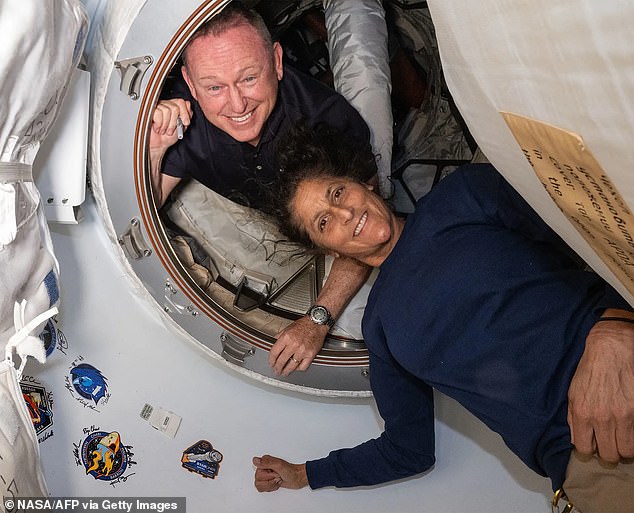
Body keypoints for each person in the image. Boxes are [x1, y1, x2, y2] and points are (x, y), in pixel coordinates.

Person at [252, 126, 634, 512]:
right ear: (328, 250)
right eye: (324, 222)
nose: (346, 213)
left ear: (364, 182)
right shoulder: (380, 329)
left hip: (621, 364)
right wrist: (306, 474)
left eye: (338, 193)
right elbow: (407, 450)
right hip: (589, 461)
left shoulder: (463, 195)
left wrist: (616, 326)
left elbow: (598, 234)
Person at [149, 2, 376, 375]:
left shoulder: (328, 120)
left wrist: (317, 320)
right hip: (269, 210)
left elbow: (368, 227)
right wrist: (156, 148)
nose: (237, 104)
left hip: (335, 196)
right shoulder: (182, 118)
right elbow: (146, 204)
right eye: (214, 87)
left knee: (365, 74)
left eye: (249, 78)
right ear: (190, 84)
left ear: (277, 61)